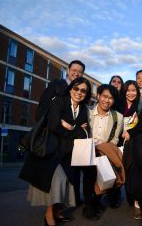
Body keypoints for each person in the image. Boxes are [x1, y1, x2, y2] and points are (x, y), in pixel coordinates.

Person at [19, 77, 91, 226]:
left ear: (87, 93)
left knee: (66, 183)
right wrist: (75, 130)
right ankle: (49, 214)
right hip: (53, 151)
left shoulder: (84, 109)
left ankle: (57, 212)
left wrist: (70, 127)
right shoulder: (59, 101)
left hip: (70, 153)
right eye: (76, 88)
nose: (79, 92)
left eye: (83, 90)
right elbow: (53, 126)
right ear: (70, 88)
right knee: (55, 181)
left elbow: (84, 133)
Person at [88, 84, 124, 210]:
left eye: (111, 98)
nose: (107, 100)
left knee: (107, 174)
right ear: (98, 96)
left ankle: (106, 198)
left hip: (105, 151)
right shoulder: (87, 112)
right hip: (87, 151)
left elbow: (115, 139)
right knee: (89, 179)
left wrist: (103, 147)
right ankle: (91, 203)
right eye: (104, 96)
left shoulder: (117, 117)